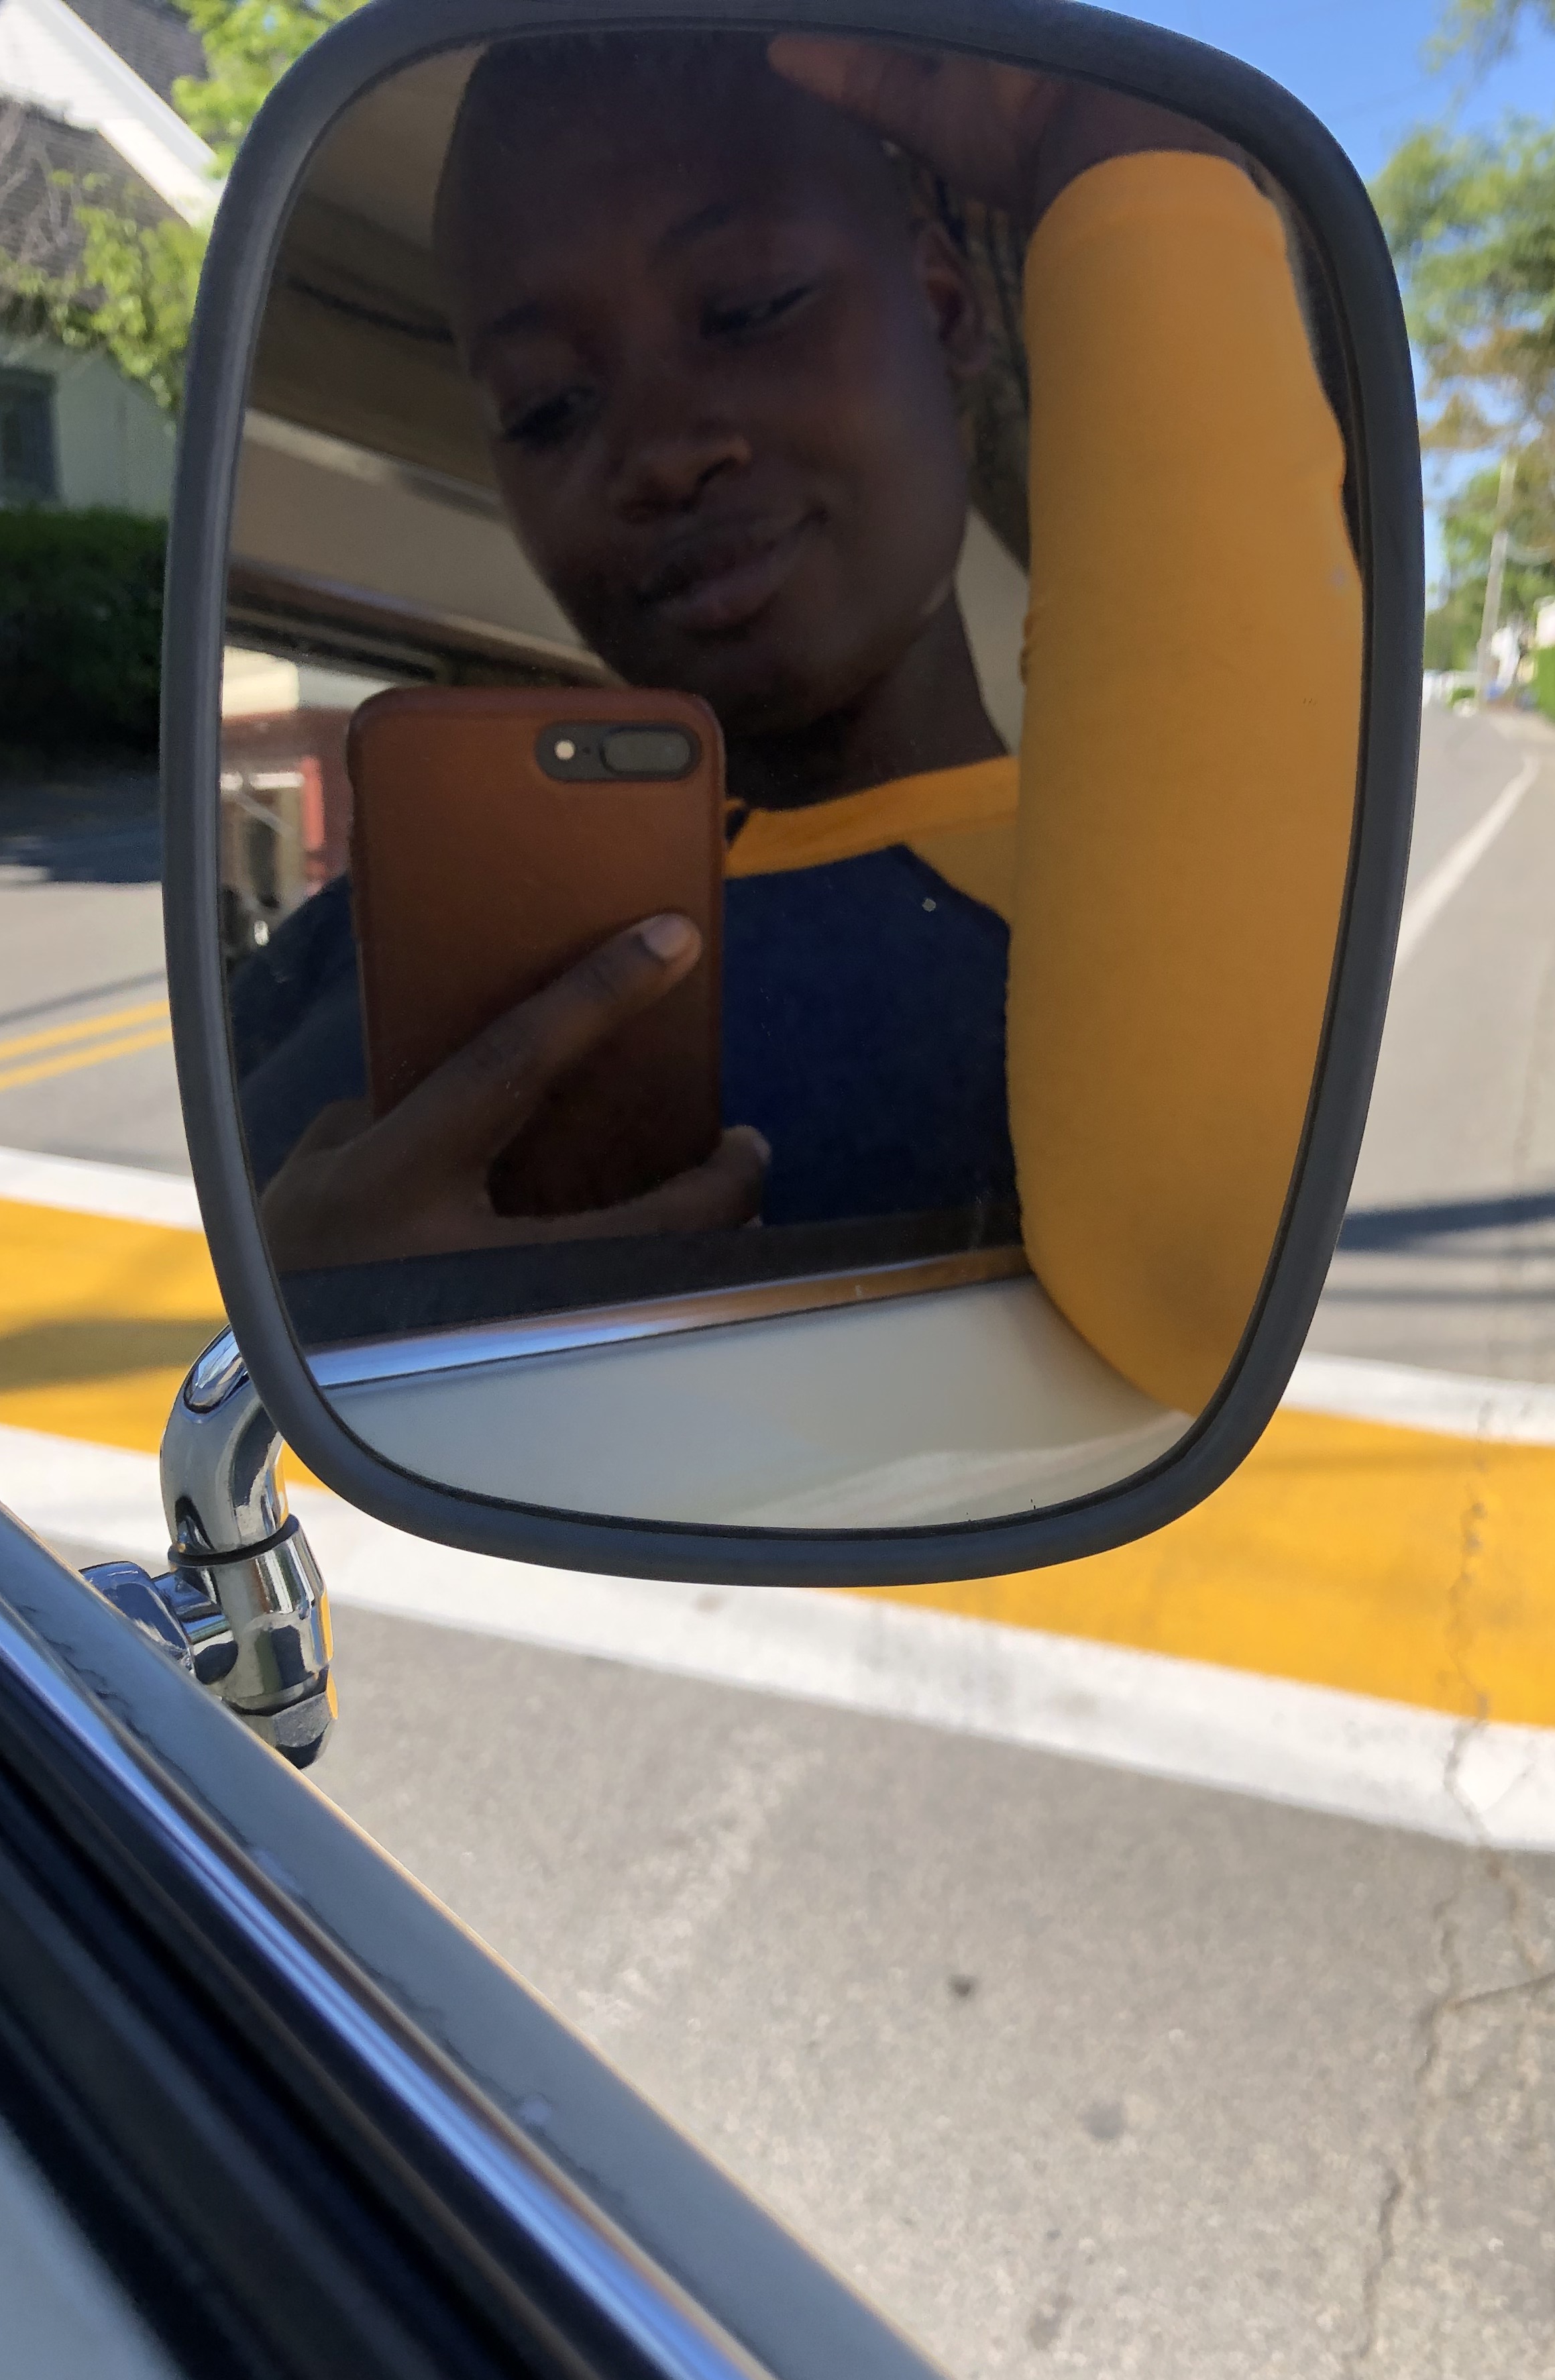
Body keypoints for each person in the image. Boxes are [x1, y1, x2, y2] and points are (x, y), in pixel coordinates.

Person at [235, 35, 1361, 1411]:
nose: (664, 451)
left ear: (945, 310)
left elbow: (1200, 1289)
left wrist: (1104, 141)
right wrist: (309, 1317)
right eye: (548, 407)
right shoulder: (346, 943)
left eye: (751, 307)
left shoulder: (1129, 914)